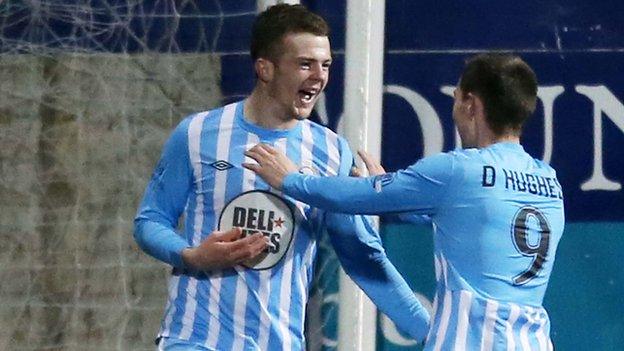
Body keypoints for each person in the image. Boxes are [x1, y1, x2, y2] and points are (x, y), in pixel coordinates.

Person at [134, 4, 430, 351]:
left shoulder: (333, 153)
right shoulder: (197, 134)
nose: (319, 76)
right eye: (305, 64)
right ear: (265, 69)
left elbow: (364, 257)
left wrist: (435, 335)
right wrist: (191, 256)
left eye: (326, 65)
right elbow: (149, 221)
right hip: (195, 340)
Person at [245, 53, 565, 350]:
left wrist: (290, 179)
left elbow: (356, 196)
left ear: (471, 104)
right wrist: (391, 196)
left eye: (456, 99)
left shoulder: (458, 170)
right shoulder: (549, 182)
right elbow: (467, 226)